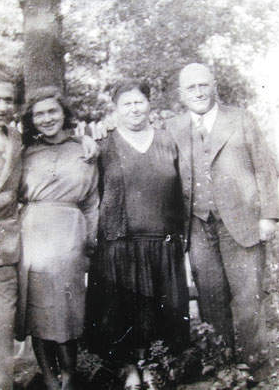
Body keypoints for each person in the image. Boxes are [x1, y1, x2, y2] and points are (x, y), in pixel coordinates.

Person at [166, 63, 279, 367]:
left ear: (214, 86)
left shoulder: (241, 119)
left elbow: (265, 168)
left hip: (242, 223)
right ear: (181, 94)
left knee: (248, 296)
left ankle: (255, 366)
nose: (198, 92)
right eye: (191, 87)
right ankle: (224, 367)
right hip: (198, 225)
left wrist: (268, 216)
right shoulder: (171, 128)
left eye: (203, 85)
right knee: (211, 298)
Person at [85, 80, 190, 390]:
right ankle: (130, 370)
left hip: (162, 242)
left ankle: (154, 368)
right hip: (119, 244)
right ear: (116, 109)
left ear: (149, 104)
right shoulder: (103, 145)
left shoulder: (167, 141)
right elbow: (91, 194)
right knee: (122, 311)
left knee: (160, 311)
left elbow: (182, 191)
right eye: (126, 104)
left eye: (139, 102)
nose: (134, 108)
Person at [16, 87, 99, 390]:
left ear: (64, 113)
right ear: (31, 119)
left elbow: (92, 203)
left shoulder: (85, 149)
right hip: (33, 235)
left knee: (66, 311)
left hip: (70, 235)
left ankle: (69, 375)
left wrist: (89, 244)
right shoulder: (25, 151)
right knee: (37, 311)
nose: (47, 118)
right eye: (39, 113)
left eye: (53, 111)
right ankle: (49, 378)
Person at [0, 70, 22, 390]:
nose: (1, 106)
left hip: (3, 250)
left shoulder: (16, 137)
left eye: (8, 100)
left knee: (0, 334)